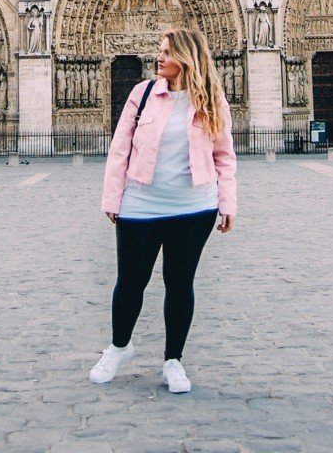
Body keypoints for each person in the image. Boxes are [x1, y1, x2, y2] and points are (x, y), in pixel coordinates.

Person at [91, 27, 237, 394]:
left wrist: (227, 202)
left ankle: (174, 360)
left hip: (194, 207)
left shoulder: (211, 100)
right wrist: (112, 198)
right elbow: (119, 148)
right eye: (161, 51)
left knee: (179, 283)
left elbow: (224, 156)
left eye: (167, 52)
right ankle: (118, 348)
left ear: (186, 58)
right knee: (130, 283)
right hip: (140, 204)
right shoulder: (142, 94)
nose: (159, 57)